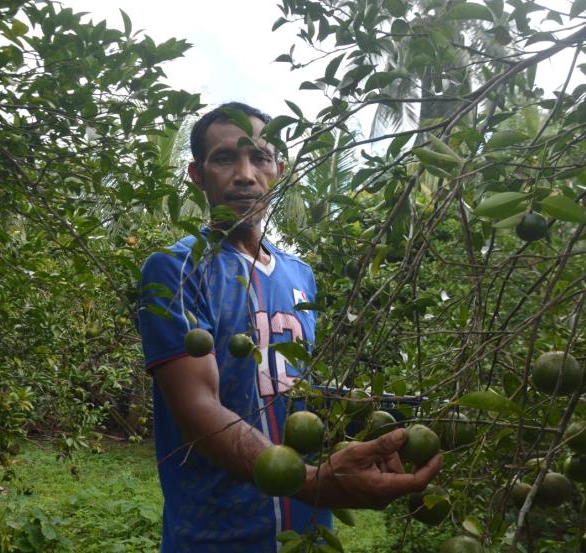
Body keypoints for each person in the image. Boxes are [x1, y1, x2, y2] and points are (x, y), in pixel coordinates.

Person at [137, 102, 442, 552]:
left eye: (259, 157)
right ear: (196, 175)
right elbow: (198, 409)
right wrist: (311, 479)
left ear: (279, 169)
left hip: (307, 533)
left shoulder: (301, 275)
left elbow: (295, 389)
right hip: (218, 535)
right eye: (224, 158)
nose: (245, 174)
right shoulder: (176, 269)